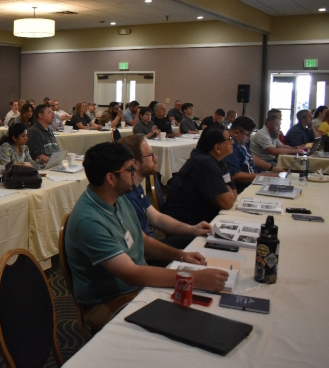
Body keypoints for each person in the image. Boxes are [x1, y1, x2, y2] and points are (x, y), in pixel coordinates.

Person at [64, 142, 227, 332]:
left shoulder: (119, 199)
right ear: (110, 178)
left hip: (135, 287)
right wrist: (194, 278)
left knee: (201, 311)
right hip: (109, 301)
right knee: (187, 325)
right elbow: (131, 274)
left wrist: (182, 256)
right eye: (129, 169)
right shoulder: (88, 221)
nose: (134, 173)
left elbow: (144, 241)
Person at [118, 135, 211, 249]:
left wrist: (192, 229)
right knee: (201, 243)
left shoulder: (135, 187)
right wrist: (182, 256)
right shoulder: (125, 197)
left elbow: (156, 218)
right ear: (135, 163)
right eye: (151, 155)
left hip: (152, 245)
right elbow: (144, 249)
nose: (156, 158)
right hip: (146, 253)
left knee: (200, 238)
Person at [164, 127, 237, 225]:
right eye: (229, 139)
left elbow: (233, 194)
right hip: (185, 224)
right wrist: (224, 191)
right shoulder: (204, 163)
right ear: (217, 147)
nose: (232, 142)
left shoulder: (219, 160)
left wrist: (224, 193)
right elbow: (227, 203)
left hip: (201, 217)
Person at [223, 116, 284, 193]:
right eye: (248, 134)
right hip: (245, 187)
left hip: (254, 180)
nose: (249, 138)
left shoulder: (241, 141)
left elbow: (250, 157)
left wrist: (272, 168)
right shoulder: (230, 146)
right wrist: (264, 176)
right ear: (236, 133)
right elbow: (235, 175)